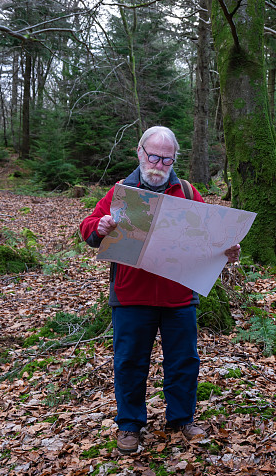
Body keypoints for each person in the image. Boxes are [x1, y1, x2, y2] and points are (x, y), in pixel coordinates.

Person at [80, 126, 241, 455]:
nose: (158, 164)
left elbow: (209, 238)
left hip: (178, 297)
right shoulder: (123, 191)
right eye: (152, 156)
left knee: (184, 361)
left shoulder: (186, 191)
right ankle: (129, 425)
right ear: (140, 153)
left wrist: (227, 250)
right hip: (130, 296)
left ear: (173, 160)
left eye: (166, 159)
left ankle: (181, 419)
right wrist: (99, 227)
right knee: (129, 362)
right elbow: (88, 227)